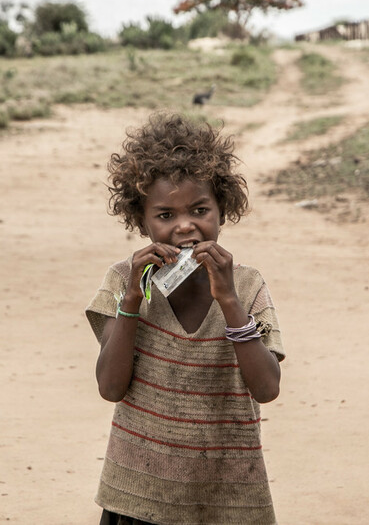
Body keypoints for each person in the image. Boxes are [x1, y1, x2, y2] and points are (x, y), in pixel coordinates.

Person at [85, 112, 285, 525]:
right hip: (139, 494)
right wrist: (132, 301)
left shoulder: (246, 287)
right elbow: (110, 387)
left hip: (227, 492)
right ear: (141, 221)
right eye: (164, 215)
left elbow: (266, 388)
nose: (185, 226)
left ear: (222, 211)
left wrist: (228, 300)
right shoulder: (125, 281)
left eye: (199, 209)